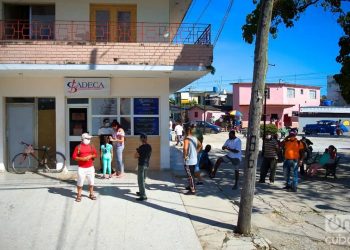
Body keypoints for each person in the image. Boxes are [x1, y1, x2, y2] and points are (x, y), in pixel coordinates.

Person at [72, 133, 97, 202]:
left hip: (90, 167)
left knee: (91, 182)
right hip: (81, 168)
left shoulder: (91, 146)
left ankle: (91, 194)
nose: (89, 140)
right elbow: (74, 157)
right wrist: (81, 159)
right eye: (87, 138)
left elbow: (95, 154)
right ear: (83, 139)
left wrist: (91, 156)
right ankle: (79, 195)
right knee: (80, 182)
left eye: (89, 139)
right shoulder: (78, 147)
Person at [183, 125, 202, 195]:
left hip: (189, 161)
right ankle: (190, 186)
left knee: (190, 175)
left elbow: (185, 148)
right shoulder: (194, 138)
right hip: (194, 160)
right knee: (191, 174)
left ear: (186, 131)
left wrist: (184, 156)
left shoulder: (186, 139)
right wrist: (196, 151)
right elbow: (201, 145)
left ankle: (192, 190)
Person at [135, 133, 152, 201]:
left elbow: (135, 156)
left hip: (141, 165)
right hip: (146, 165)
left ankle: (143, 195)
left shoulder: (141, 147)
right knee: (143, 180)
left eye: (140, 138)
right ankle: (141, 192)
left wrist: (137, 150)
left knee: (140, 180)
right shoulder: (149, 146)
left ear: (142, 139)